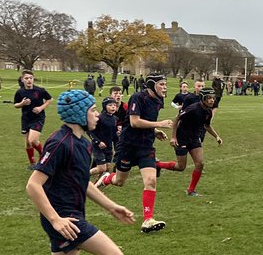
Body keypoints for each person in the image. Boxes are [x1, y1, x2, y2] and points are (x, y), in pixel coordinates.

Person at [2, 90, 133, 255]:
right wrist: (55, 219)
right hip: (64, 219)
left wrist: (111, 206)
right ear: (78, 114)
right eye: (92, 109)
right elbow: (33, 185)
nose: (96, 114)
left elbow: (83, 181)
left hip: (68, 216)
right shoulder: (60, 142)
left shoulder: (83, 142)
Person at [95, 74, 175, 233]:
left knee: (151, 180)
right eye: (161, 84)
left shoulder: (159, 100)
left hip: (146, 147)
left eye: (165, 84)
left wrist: (155, 130)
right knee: (119, 181)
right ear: (152, 85)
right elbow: (134, 121)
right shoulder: (137, 97)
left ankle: (148, 219)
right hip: (128, 146)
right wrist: (159, 124)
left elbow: (146, 121)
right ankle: (107, 178)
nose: (165, 87)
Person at [168, 87, 222, 195]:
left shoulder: (208, 112)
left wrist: (217, 136)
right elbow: (177, 119)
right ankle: (158, 165)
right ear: (203, 98)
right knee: (181, 167)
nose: (212, 100)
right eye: (209, 98)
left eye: (213, 98)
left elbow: (207, 126)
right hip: (181, 137)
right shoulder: (193, 108)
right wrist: (173, 137)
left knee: (200, 163)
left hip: (193, 138)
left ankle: (191, 190)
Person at [13, 71, 53, 166]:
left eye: (31, 78)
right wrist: (22, 104)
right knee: (27, 143)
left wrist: (41, 108)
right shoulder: (20, 92)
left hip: (38, 118)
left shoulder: (39, 90)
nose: (29, 80)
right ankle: (32, 164)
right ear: (23, 80)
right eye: (26, 78)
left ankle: (43, 154)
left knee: (33, 140)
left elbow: (50, 99)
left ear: (33, 79)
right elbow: (16, 105)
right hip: (26, 119)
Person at [89, 95, 121, 179]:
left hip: (108, 147)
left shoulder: (115, 119)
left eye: (114, 105)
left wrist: (117, 146)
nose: (113, 107)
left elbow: (114, 135)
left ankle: (96, 187)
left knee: (106, 169)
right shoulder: (99, 118)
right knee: (101, 168)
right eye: (110, 105)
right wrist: (98, 142)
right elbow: (90, 132)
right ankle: (84, 174)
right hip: (98, 147)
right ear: (104, 106)